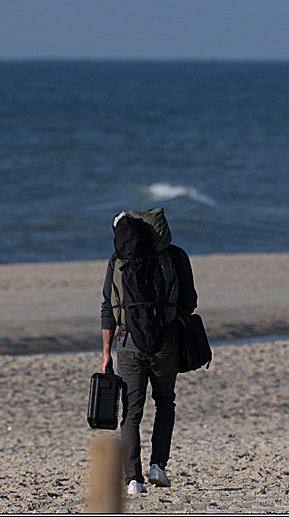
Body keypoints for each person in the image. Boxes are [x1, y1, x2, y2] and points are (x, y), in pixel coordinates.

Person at [100, 208, 198, 496]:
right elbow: (190, 301)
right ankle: (158, 466)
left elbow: (108, 307)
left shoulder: (118, 261)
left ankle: (133, 480)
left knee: (131, 412)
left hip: (128, 341)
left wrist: (106, 352)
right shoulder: (175, 256)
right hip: (164, 340)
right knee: (165, 402)